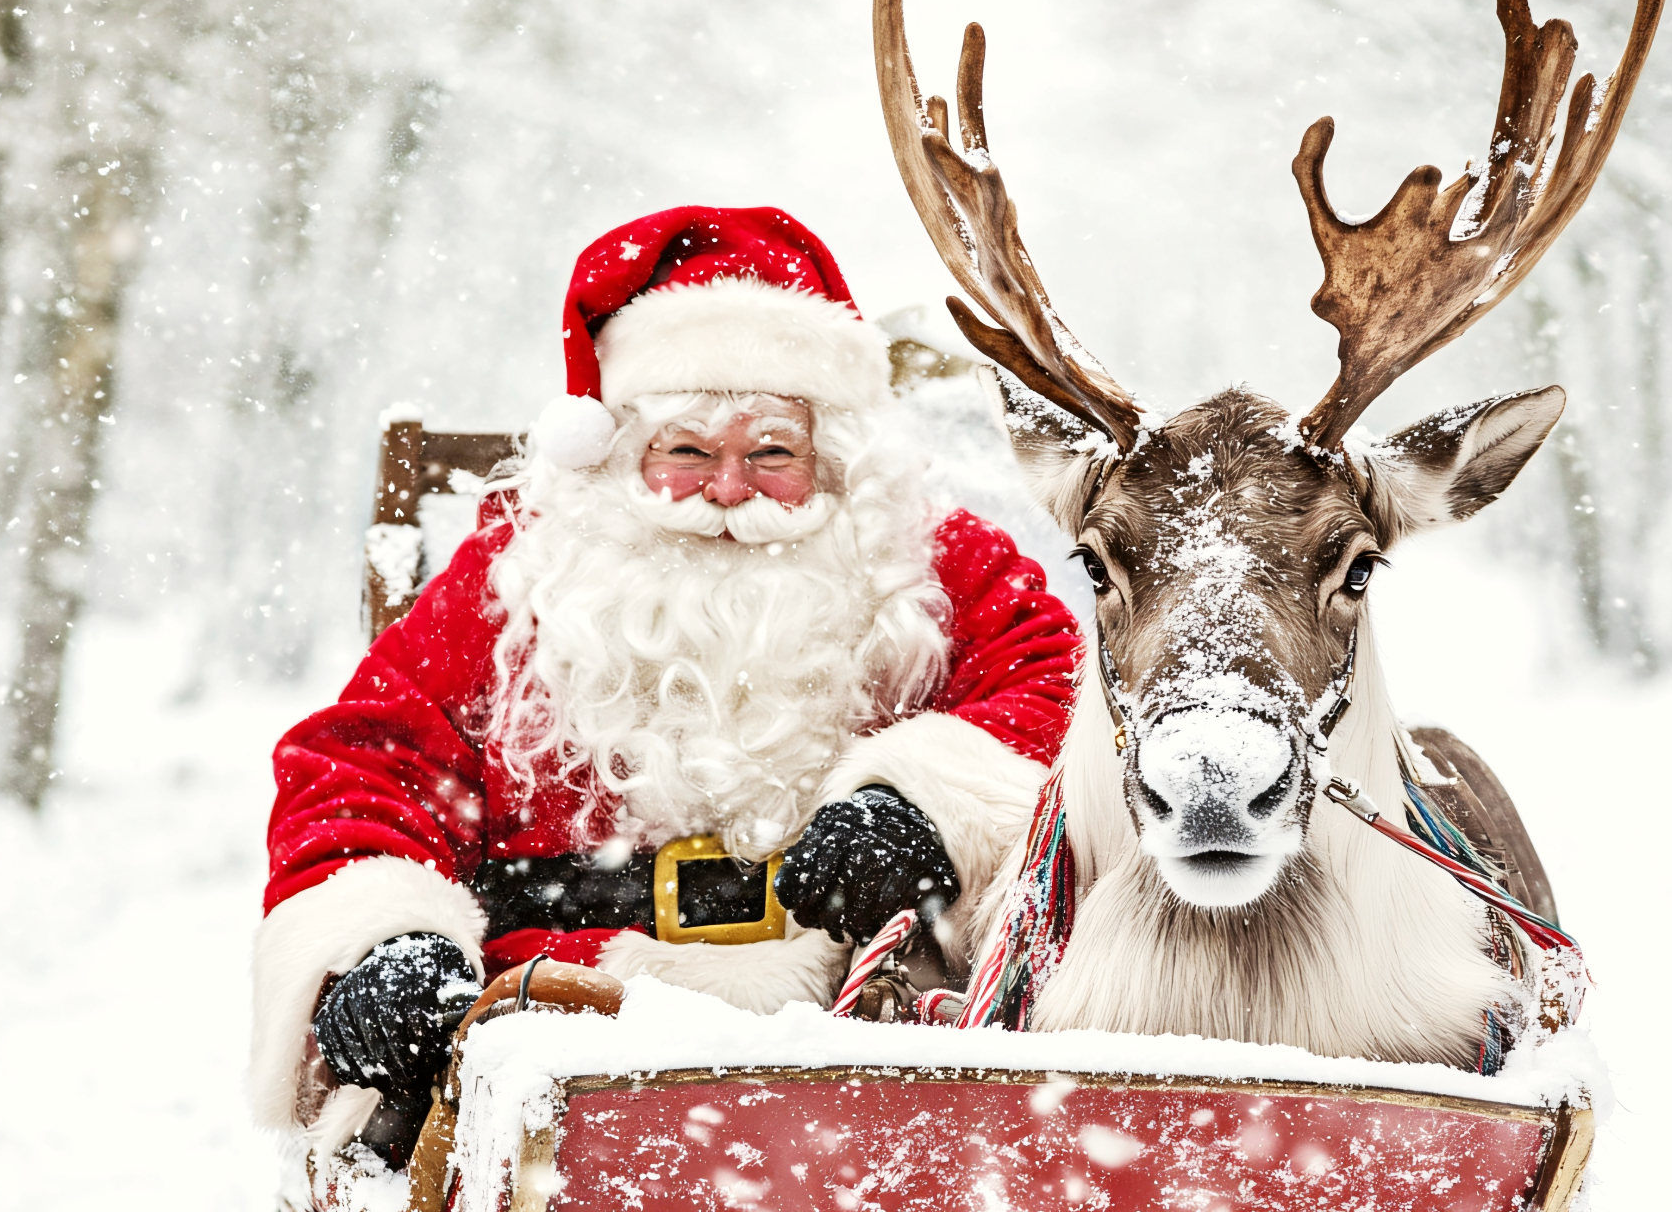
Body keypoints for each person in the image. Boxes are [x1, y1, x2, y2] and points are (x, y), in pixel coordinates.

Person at [248, 205, 1082, 1164]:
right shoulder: (519, 574)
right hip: (560, 1025)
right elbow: (363, 764)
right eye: (688, 450)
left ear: (833, 452)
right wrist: (384, 937)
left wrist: (928, 798)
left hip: (862, 1026)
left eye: (772, 451)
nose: (729, 487)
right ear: (620, 451)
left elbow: (1058, 692)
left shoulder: (919, 559)